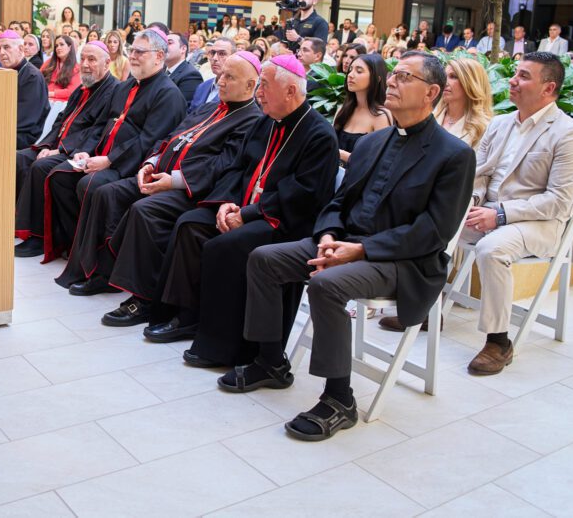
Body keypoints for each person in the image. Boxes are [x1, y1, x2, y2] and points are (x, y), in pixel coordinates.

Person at [227, 51, 474, 442]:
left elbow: (433, 232)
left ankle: (339, 399)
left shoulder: (454, 155)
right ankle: (271, 361)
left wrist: (360, 251)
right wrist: (328, 235)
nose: (392, 82)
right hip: (345, 242)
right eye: (393, 74)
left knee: (327, 284)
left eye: (405, 77)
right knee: (264, 259)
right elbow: (338, 202)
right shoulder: (373, 143)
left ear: (431, 93)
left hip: (402, 260)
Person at [110, 54, 337, 339]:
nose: (260, 94)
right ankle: (176, 311)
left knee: (219, 242)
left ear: (290, 91)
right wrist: (227, 204)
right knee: (191, 224)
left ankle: (207, 327)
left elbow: (302, 193)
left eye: (264, 86)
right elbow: (237, 168)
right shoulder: (267, 123)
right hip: (242, 206)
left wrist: (246, 213)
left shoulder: (318, 134)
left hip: (280, 219)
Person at [56, 52, 264, 297]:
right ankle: (99, 272)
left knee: (143, 210)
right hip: (159, 175)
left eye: (230, 77)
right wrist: (151, 163)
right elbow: (171, 137)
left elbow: (222, 165)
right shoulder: (211, 107)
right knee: (106, 193)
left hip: (191, 190)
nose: (220, 81)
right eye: (222, 75)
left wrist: (173, 181)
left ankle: (140, 296)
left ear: (250, 85)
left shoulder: (252, 120)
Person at [463, 51, 573, 375]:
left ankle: (498, 341)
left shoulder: (569, 132)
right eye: (515, 73)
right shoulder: (500, 123)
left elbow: (559, 201)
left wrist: (500, 214)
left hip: (537, 223)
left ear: (548, 88)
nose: (512, 81)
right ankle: (421, 309)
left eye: (523, 76)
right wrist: (473, 201)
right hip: (488, 211)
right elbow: (479, 174)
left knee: (492, 249)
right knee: (432, 221)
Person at [14, 28, 186, 260]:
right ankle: (71, 240)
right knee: (59, 176)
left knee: (88, 184)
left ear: (159, 56)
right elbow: (100, 127)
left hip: (129, 166)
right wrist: (85, 152)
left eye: (140, 52)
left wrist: (109, 160)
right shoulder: (126, 87)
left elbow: (148, 140)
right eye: (132, 50)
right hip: (102, 157)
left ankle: (91, 256)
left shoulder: (169, 94)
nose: (133, 56)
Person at [377, 56, 494, 332]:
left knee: (429, 223)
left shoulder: (484, 126)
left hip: (458, 197)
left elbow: (484, 174)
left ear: (471, 84)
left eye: (455, 77)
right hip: (419, 192)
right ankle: (398, 292)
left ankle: (421, 304)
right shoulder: (431, 116)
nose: (447, 82)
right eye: (447, 75)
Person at [15, 41, 119, 200]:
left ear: (106, 63)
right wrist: (47, 145)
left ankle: (37, 216)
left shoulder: (114, 90)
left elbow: (97, 130)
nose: (85, 64)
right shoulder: (83, 87)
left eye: (91, 59)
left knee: (40, 167)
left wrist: (60, 150)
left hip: (77, 151)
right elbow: (61, 120)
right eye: (82, 59)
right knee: (19, 158)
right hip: (57, 145)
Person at [334, 52, 392, 164]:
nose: (350, 75)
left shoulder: (381, 116)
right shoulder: (343, 109)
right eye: (350, 69)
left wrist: (341, 154)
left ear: (377, 78)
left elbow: (377, 161)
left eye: (359, 71)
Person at [0, 29, 50, 149]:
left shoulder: (32, 77)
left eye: (6, 47)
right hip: (8, 128)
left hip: (24, 135)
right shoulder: (2, 72)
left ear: (21, 49)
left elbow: (26, 120)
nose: (1, 52)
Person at [190, 38, 234, 111]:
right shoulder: (202, 87)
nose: (214, 58)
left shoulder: (236, 92)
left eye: (222, 54)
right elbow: (190, 114)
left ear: (233, 57)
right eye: (213, 53)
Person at [164, 32, 204, 106]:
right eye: (163, 43)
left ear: (183, 49)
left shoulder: (191, 76)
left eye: (169, 43)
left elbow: (179, 108)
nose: (164, 47)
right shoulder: (160, 70)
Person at [42, 35, 81, 103]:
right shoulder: (48, 63)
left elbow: (71, 91)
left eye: (62, 44)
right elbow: (38, 80)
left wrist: (49, 94)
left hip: (61, 103)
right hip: (43, 98)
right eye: (56, 46)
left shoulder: (76, 67)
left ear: (69, 47)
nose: (58, 48)